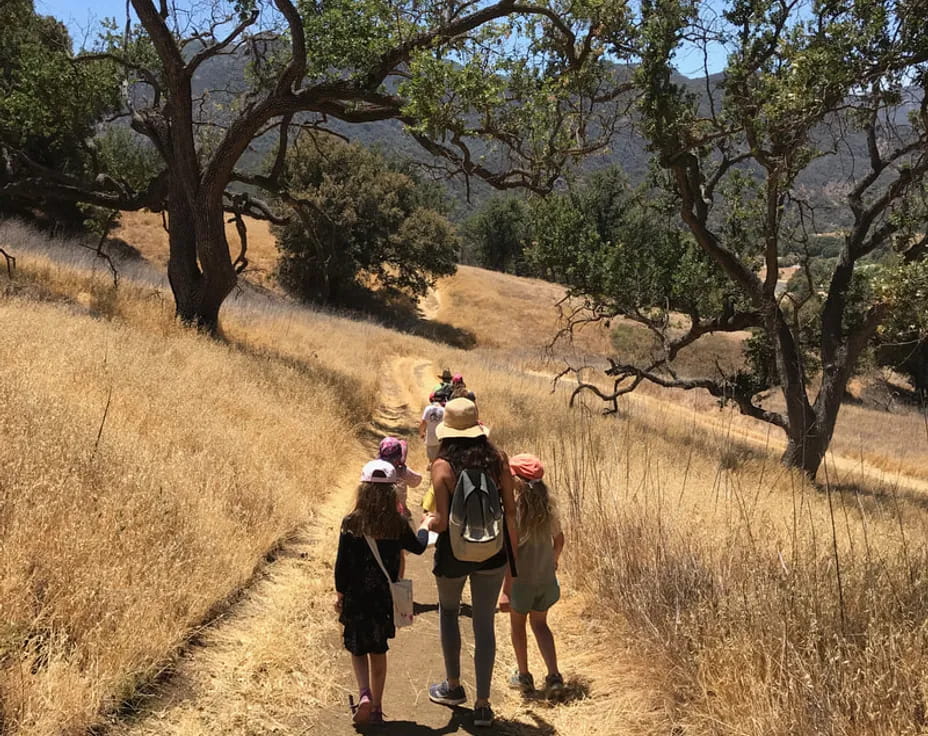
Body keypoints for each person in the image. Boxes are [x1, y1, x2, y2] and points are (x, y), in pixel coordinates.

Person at [423, 398, 518, 728]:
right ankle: (483, 704)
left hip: (453, 553)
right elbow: (511, 512)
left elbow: (441, 522)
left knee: (448, 613)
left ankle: (452, 687)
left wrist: (426, 524)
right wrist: (513, 567)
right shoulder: (498, 460)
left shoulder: (442, 466)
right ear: (479, 429)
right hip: (493, 551)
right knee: (483, 624)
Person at [334, 459, 431, 725]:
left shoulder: (351, 522)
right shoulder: (397, 523)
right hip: (382, 598)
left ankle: (363, 693)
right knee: (378, 650)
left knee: (357, 648)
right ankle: (377, 706)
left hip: (356, 596)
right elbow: (419, 547)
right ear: (392, 492)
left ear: (363, 490)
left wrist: (340, 594)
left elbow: (342, 565)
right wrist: (424, 527)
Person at [500, 453, 565, 700]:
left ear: (516, 481)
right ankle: (554, 676)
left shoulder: (513, 513)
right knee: (541, 625)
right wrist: (554, 560)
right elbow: (559, 540)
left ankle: (524, 677)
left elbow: (511, 553)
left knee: (518, 627)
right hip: (545, 579)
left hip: (521, 582)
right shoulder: (549, 510)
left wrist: (506, 589)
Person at [378, 437, 422, 516]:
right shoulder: (402, 470)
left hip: (378, 506)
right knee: (407, 516)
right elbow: (416, 481)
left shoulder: (376, 467)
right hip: (399, 509)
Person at [419, 394, 445, 466]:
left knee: (431, 459)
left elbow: (423, 423)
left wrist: (422, 433)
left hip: (430, 438)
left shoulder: (428, 409)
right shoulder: (444, 410)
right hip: (440, 438)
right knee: (440, 459)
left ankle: (432, 469)